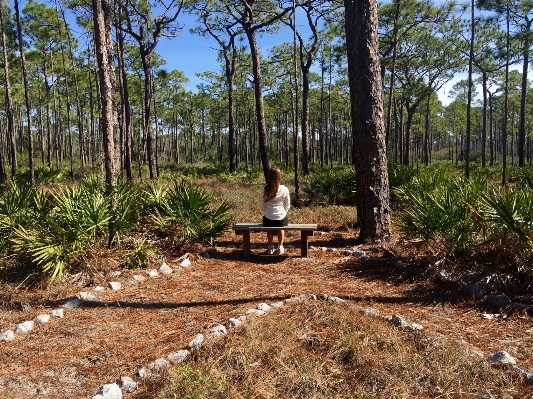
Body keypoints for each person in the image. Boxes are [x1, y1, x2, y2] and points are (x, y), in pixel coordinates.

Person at [260, 167, 290, 255]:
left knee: (269, 228)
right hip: (281, 217)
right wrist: (283, 213)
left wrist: (268, 212)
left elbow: (262, 204)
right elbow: (287, 205)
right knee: (281, 227)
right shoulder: (284, 189)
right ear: (279, 176)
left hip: (268, 218)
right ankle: (280, 247)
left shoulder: (265, 189)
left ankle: (270, 247)